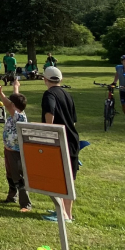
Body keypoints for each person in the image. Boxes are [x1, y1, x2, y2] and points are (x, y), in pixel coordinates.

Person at [40, 66, 79, 222]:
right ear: (61, 79)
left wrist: (49, 132)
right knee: (68, 178)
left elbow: (50, 111)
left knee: (58, 178)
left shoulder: (49, 94)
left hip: (59, 141)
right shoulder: (67, 94)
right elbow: (73, 121)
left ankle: (63, 214)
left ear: (45, 79)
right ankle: (66, 212)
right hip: (72, 140)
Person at [0, 80, 31, 212]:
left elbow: (8, 104)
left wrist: (0, 93)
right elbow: (13, 101)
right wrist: (16, 87)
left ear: (14, 106)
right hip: (9, 150)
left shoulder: (19, 116)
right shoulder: (15, 113)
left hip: (16, 153)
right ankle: (12, 196)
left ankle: (25, 204)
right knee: (10, 175)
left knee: (18, 178)